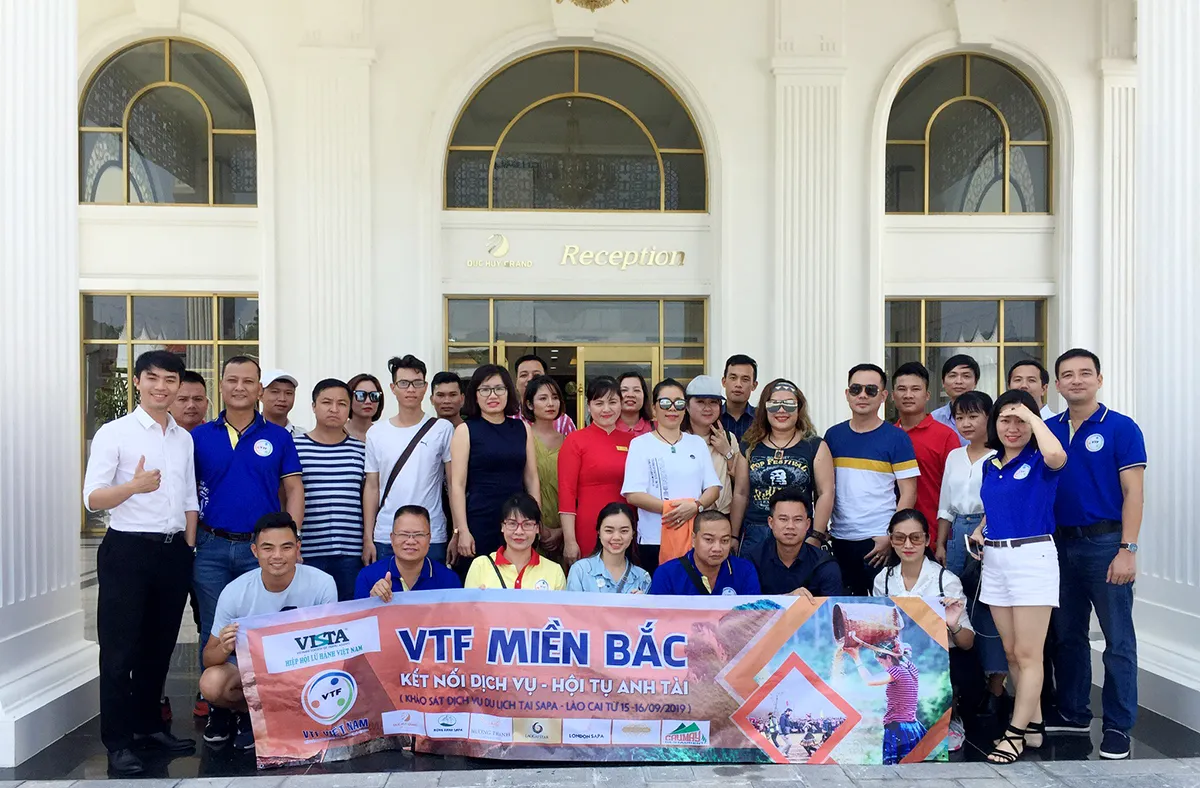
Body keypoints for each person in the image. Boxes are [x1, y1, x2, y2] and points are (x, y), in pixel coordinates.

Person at [83, 351, 198, 776]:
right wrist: (133, 486)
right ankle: (117, 741)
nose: (161, 387)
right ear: (137, 381)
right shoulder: (114, 433)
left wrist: (187, 547)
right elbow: (93, 498)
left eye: (170, 380)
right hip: (128, 550)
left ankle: (149, 726)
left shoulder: (183, 438)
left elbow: (189, 497)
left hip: (172, 552)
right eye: (153, 378)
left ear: (178, 385)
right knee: (120, 651)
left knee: (159, 646)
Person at [191, 355, 303, 744]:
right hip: (212, 546)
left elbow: (293, 489)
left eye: (248, 381)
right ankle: (220, 710)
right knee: (215, 629)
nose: (239, 387)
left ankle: (255, 711)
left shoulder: (279, 437)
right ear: (220, 384)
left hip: (261, 550)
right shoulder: (199, 437)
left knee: (263, 630)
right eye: (232, 380)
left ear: (259, 389)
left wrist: (292, 541)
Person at [1044, 349, 1146, 760]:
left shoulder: (1121, 428)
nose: (1077, 380)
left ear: (1099, 380)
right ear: (1057, 385)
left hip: (1105, 544)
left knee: (1117, 639)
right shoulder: (1048, 429)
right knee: (1067, 635)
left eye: (1085, 373)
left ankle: (1119, 725)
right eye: (1067, 375)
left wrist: (1128, 549)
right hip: (1056, 545)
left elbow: (1133, 492)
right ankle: (1074, 712)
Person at [969, 389, 1067, 765]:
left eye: (1020, 420)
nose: (1013, 427)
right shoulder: (990, 465)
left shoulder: (1041, 459)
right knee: (1011, 652)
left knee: (1028, 654)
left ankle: (1014, 734)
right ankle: (1034, 724)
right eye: (1005, 419)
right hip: (996, 559)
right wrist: (982, 528)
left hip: (1032, 558)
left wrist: (1033, 418)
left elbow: (1057, 455)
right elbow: (999, 503)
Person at [198, 513, 337, 751]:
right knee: (211, 682)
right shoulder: (235, 591)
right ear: (255, 551)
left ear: (298, 548)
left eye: (286, 547)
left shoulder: (322, 584)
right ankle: (248, 712)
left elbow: (333, 649)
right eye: (268, 548)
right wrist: (224, 647)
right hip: (252, 670)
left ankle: (282, 714)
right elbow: (208, 658)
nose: (277, 556)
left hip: (302, 668)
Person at [871, 510, 974, 752]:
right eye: (900, 538)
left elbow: (967, 642)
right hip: (901, 659)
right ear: (891, 539)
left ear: (927, 540)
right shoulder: (883, 580)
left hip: (940, 660)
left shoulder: (945, 580)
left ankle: (951, 718)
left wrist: (953, 623)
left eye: (915, 538)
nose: (908, 545)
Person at [936, 391, 1008, 714]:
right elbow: (945, 505)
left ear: (989, 418)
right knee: (955, 607)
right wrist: (940, 543)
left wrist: (982, 529)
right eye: (960, 417)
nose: (966, 423)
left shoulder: (1000, 455)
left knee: (988, 609)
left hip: (988, 533)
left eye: (973, 416)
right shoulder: (954, 456)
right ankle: (962, 686)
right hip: (955, 535)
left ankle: (995, 688)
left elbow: (1000, 503)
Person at [824, 364, 919, 595]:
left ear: (883, 396)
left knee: (883, 607)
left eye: (871, 390)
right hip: (840, 538)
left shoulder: (897, 438)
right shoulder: (832, 435)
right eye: (856, 389)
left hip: (879, 539)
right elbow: (825, 487)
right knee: (846, 608)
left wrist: (891, 536)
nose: (863, 395)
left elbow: (909, 492)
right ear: (847, 394)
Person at [362, 356, 454, 567]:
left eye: (417, 383)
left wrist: (457, 531)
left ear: (425, 387)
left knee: (432, 588)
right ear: (393, 388)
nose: (411, 389)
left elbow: (453, 484)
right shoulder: (376, 433)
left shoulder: (442, 429)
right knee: (387, 587)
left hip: (431, 533)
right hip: (387, 533)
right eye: (404, 383)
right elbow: (372, 487)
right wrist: (368, 537)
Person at [623, 379, 722, 569]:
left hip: (693, 537)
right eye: (665, 403)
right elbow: (633, 494)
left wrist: (695, 506)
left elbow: (713, 488)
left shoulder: (697, 443)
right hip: (654, 538)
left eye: (679, 403)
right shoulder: (640, 444)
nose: (672, 409)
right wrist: (674, 511)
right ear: (654, 409)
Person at [450, 365, 540, 567]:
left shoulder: (522, 428)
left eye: (499, 388)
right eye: (485, 389)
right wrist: (462, 530)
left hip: (517, 520)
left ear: (508, 391)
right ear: (475, 395)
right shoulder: (465, 430)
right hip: (480, 519)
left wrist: (535, 520)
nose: (493, 395)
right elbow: (457, 485)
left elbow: (532, 478)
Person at [732, 379, 833, 559]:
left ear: (799, 408)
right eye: (774, 404)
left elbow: (825, 493)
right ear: (764, 408)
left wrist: (816, 535)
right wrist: (733, 535)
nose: (781, 410)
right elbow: (741, 494)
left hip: (798, 531)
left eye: (789, 404)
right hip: (756, 530)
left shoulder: (815, 446)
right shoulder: (749, 446)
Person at [294, 379, 365, 601]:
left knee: (350, 614)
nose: (334, 409)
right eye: (326, 402)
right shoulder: (295, 447)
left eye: (342, 404)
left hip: (351, 552)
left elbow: (367, 498)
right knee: (310, 615)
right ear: (313, 406)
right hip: (308, 552)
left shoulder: (361, 450)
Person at [166, 367, 209, 718]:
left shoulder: (213, 438)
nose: (190, 405)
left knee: (208, 620)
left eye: (197, 399)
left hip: (209, 545)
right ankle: (153, 696)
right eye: (183, 399)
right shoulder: (161, 440)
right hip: (168, 547)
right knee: (161, 623)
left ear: (207, 402)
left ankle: (209, 691)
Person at [558, 376, 634, 565]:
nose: (606, 409)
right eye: (599, 403)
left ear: (621, 404)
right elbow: (566, 492)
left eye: (612, 402)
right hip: (589, 525)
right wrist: (570, 540)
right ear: (589, 406)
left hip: (626, 527)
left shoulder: (634, 442)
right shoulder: (575, 440)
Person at [892, 362, 961, 546]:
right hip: (893, 537)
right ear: (892, 395)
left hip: (934, 535)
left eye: (915, 389)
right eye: (902, 389)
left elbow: (955, 491)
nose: (908, 395)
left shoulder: (945, 436)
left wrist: (943, 540)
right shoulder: (887, 436)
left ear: (927, 395)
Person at [751, 486, 843, 597]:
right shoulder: (753, 559)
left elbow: (831, 607)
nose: (790, 526)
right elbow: (745, 604)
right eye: (783, 519)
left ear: (807, 524)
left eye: (797, 520)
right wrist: (787, 598)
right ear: (771, 522)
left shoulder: (825, 565)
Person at [355, 505, 462, 599]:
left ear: (429, 539)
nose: (411, 541)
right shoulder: (368, 576)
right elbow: (360, 615)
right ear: (392, 539)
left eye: (419, 534)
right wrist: (372, 601)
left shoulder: (449, 580)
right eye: (403, 534)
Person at [465, 493, 566, 590]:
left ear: (537, 528)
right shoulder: (480, 566)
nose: (519, 531)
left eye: (527, 524)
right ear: (502, 527)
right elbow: (468, 602)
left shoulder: (554, 571)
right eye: (512, 524)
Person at [649, 511, 761, 595]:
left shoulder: (744, 570)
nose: (717, 548)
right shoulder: (667, 574)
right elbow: (659, 616)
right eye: (709, 540)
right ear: (693, 539)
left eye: (725, 540)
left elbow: (752, 615)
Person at [851, 636, 924, 765]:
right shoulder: (911, 669)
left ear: (889, 658)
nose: (882, 666)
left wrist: (856, 658)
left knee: (895, 770)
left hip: (899, 728)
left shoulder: (897, 671)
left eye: (881, 662)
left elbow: (870, 680)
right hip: (914, 727)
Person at [683, 375, 739, 516]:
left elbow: (741, 482)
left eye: (713, 402)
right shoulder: (678, 440)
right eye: (700, 402)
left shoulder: (728, 438)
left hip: (722, 516)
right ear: (687, 406)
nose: (707, 408)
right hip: (688, 513)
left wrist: (728, 452)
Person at [566, 502, 652, 593]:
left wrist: (642, 601)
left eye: (624, 531)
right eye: (609, 531)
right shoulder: (580, 570)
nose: (616, 537)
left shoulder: (643, 577)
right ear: (599, 532)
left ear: (633, 534)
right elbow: (571, 602)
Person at [524, 375, 566, 560]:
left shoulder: (569, 441)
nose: (551, 403)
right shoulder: (522, 437)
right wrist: (538, 525)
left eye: (555, 397)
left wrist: (562, 530)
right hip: (528, 523)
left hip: (563, 524)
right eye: (543, 398)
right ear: (530, 404)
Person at [513, 354, 576, 435]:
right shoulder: (507, 419)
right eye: (524, 375)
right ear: (516, 383)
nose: (530, 379)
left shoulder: (563, 422)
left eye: (536, 375)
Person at [931, 354, 980, 444]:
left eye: (966, 376)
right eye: (953, 376)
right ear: (943, 382)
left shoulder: (989, 417)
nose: (959, 381)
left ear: (975, 382)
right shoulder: (934, 418)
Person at [720, 354, 759, 442]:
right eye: (733, 378)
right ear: (724, 382)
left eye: (745, 379)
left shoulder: (761, 419)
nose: (738, 384)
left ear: (754, 385)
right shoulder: (712, 417)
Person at [261, 369, 305, 437]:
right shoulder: (248, 433)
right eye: (275, 392)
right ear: (260, 394)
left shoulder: (302, 436)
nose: (282, 399)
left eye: (288, 393)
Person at [345, 372, 384, 441]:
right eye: (361, 395)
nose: (368, 401)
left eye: (374, 395)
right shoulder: (336, 433)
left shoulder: (385, 435)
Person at [616, 371, 654, 436]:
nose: (630, 395)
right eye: (624, 390)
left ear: (644, 395)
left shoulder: (657, 428)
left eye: (636, 390)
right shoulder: (607, 428)